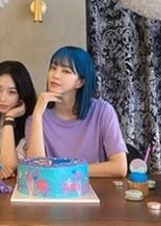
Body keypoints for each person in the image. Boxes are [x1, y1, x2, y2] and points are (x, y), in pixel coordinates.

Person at [25, 46, 127, 178]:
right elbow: (36, 171)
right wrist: (38, 115)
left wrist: (66, 170)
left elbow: (120, 167)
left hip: (94, 188)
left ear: (80, 82)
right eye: (53, 68)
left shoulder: (103, 112)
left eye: (66, 71)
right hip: (54, 189)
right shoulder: (36, 119)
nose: (55, 75)